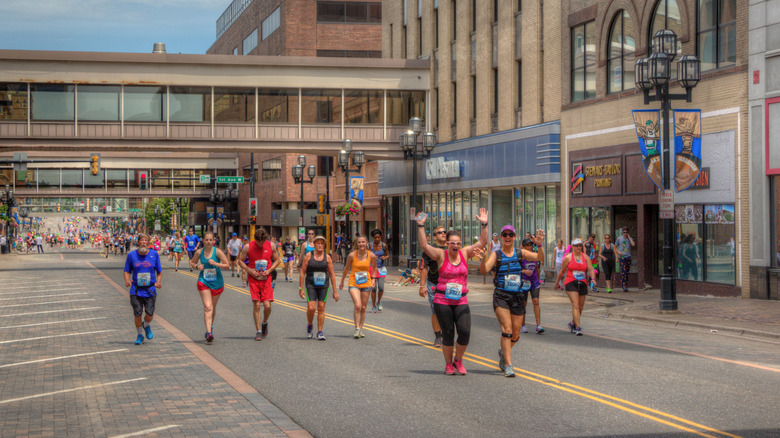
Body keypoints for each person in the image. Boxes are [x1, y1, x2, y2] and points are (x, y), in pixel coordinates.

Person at [418, 208, 489, 376]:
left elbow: (482, 243)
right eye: (452, 243)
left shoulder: (464, 253)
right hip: (442, 300)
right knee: (448, 334)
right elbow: (424, 245)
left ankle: (459, 360)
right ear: (447, 243)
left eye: (458, 243)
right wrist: (421, 226)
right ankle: (449, 364)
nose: (456, 245)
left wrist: (484, 224)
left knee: (464, 332)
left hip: (461, 300)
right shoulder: (441, 255)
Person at [479, 227, 545, 378]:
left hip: (517, 296)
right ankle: (508, 365)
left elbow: (539, 258)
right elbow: (484, 270)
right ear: (501, 237)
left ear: (515, 237)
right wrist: (483, 259)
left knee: (515, 335)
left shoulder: (520, 253)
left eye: (510, 235)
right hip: (501, 295)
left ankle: (503, 351)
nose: (507, 237)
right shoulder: (496, 255)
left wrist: (540, 245)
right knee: (507, 330)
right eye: (505, 235)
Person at [238, 227, 281, 341]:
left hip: (266, 279)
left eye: (262, 242)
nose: (260, 244)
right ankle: (258, 331)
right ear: (255, 239)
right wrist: (249, 270)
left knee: (267, 306)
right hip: (254, 279)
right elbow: (240, 261)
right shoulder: (248, 247)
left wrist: (270, 270)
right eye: (258, 242)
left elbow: (277, 260)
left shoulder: (271, 246)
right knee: (256, 305)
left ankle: (265, 322)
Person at [190, 232, 230, 343]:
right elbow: (192, 262)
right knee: (208, 307)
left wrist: (216, 264)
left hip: (217, 282)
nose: (208, 242)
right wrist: (197, 266)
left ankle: (210, 326)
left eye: (210, 240)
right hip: (203, 281)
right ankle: (209, 333)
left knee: (213, 307)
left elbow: (227, 265)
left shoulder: (217, 252)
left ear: (213, 241)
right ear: (203, 241)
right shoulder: (199, 252)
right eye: (206, 240)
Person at [123, 234, 162, 345]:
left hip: (150, 289)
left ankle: (146, 325)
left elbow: (159, 271)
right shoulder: (131, 255)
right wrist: (127, 280)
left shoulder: (154, 254)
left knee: (149, 314)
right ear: (138, 242)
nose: (144, 242)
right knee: (137, 313)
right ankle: (140, 335)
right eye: (142, 240)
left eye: (146, 240)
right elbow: (126, 270)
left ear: (148, 243)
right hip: (136, 289)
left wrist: (158, 282)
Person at [298, 235, 340, 340]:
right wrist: (300, 288)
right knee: (311, 307)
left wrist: (335, 291)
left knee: (321, 307)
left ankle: (320, 331)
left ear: (324, 245)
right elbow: (302, 272)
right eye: (318, 243)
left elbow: (332, 274)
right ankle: (310, 324)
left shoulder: (327, 257)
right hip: (311, 284)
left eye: (322, 243)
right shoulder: (308, 256)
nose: (320, 245)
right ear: (314, 245)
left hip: (323, 285)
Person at [554, 238, 597, 336]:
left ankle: (573, 323)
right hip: (571, 282)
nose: (579, 247)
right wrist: (557, 282)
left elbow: (590, 269)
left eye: (580, 245)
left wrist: (593, 279)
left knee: (580, 307)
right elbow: (562, 272)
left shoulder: (585, 257)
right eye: (577, 245)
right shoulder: (568, 258)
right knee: (576, 305)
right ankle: (578, 327)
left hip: (582, 282)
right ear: (572, 246)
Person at [339, 235, 377, 339]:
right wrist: (342, 281)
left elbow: (374, 268)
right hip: (353, 282)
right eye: (359, 242)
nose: (361, 244)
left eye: (363, 242)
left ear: (366, 243)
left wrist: (373, 279)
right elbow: (347, 268)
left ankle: (361, 328)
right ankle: (356, 329)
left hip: (366, 283)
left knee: (364, 307)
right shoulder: (352, 255)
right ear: (357, 244)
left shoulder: (372, 255)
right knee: (358, 305)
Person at [419, 226, 446, 347]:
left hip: (448, 285)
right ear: (435, 237)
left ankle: (446, 334)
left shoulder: (451, 248)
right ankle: (438, 337)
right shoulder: (429, 250)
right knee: (436, 311)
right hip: (434, 284)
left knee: (448, 311)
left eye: (445, 232)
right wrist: (422, 286)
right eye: (440, 232)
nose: (443, 234)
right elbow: (424, 268)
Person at [369, 229, 389, 313]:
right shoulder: (369, 246)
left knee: (381, 287)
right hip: (372, 268)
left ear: (380, 237)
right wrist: (371, 258)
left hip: (381, 268)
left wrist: (384, 257)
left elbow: (388, 255)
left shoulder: (384, 245)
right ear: (373, 238)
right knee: (373, 289)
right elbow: (365, 256)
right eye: (375, 237)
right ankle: (373, 306)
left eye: (378, 237)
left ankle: (379, 301)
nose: (377, 239)